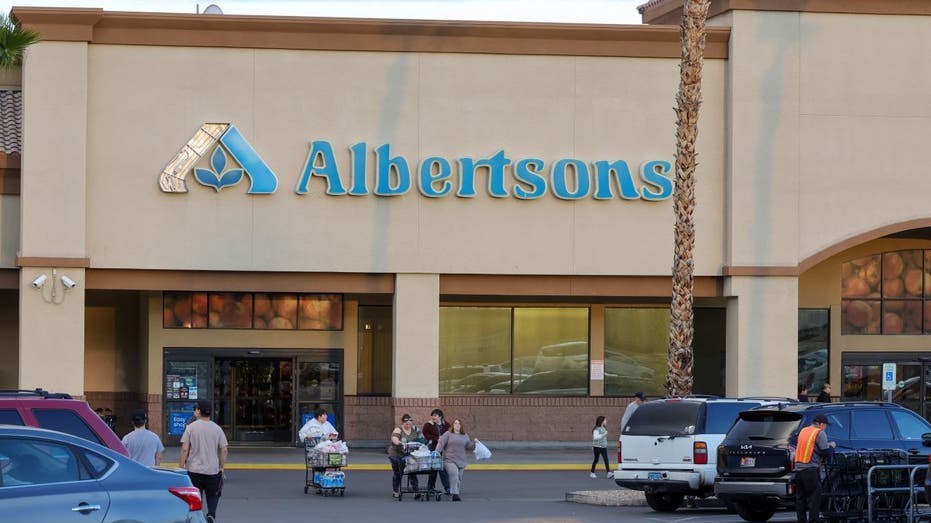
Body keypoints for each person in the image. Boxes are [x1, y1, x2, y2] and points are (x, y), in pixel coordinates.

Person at [180, 401, 228, 523]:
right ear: (210, 412)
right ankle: (211, 514)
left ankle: (198, 517)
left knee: (196, 498)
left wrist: (181, 467)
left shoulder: (191, 427)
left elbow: (185, 449)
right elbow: (224, 449)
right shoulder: (217, 429)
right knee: (213, 495)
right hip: (212, 470)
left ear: (199, 411)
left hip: (194, 470)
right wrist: (221, 467)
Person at [795, 414, 836, 523]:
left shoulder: (804, 430)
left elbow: (811, 447)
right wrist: (832, 446)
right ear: (821, 424)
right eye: (826, 425)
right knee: (814, 499)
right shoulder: (819, 432)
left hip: (798, 470)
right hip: (810, 470)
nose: (826, 427)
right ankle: (813, 521)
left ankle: (801, 520)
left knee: (800, 500)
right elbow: (825, 452)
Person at [435, 418, 477, 501]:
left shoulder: (465, 435)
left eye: (458, 424)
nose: (457, 425)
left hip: (461, 460)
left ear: (461, 426)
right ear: (452, 425)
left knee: (459, 477)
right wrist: (436, 453)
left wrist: (475, 443)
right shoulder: (448, 434)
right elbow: (441, 443)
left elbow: (468, 446)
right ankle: (455, 494)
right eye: (455, 423)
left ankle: (454, 490)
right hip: (449, 459)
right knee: (454, 474)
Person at [388, 413, 424, 499]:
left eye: (410, 424)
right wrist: (400, 443)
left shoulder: (415, 429)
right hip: (397, 454)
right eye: (406, 424)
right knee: (398, 473)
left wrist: (423, 444)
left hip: (410, 455)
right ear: (402, 423)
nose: (408, 425)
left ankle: (416, 491)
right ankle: (396, 490)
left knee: (412, 471)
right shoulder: (398, 429)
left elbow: (422, 438)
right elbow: (394, 439)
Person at [421, 408, 451, 495]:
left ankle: (445, 487)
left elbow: (450, 435)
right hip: (434, 449)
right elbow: (425, 435)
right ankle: (434, 487)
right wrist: (437, 439)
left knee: (443, 469)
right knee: (435, 468)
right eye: (432, 415)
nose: (433, 417)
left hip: (445, 450)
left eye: (435, 415)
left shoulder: (447, 425)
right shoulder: (428, 425)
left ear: (440, 416)